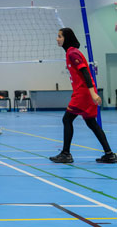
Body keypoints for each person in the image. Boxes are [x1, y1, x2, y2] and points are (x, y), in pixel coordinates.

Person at [49, 28, 116, 164]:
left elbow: (85, 72)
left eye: (59, 36)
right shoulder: (70, 52)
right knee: (91, 123)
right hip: (83, 92)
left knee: (67, 120)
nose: (57, 39)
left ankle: (66, 154)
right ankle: (109, 154)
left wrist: (92, 93)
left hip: (83, 93)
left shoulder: (73, 53)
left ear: (66, 38)